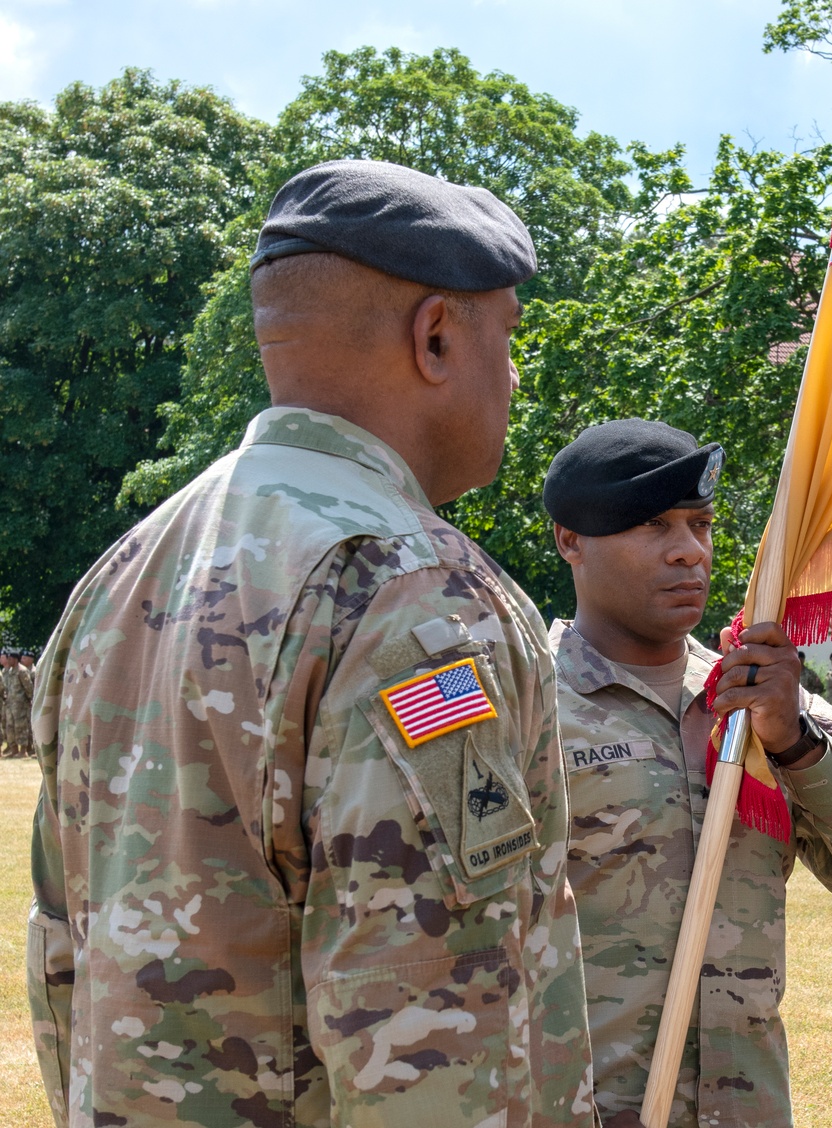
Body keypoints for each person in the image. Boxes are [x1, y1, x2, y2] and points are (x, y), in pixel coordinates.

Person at [29, 161, 595, 1127]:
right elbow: (428, 1032)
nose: (512, 375)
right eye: (508, 338)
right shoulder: (411, 595)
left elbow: (62, 952)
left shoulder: (120, 574)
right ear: (436, 336)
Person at [541, 418, 832, 1128]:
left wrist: (795, 743)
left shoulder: (763, 698)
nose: (688, 553)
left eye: (699, 525)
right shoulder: (523, 709)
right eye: (652, 526)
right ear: (570, 541)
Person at [2, 648, 33, 758]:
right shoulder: (10, 671)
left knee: (21, 727)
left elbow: (28, 687)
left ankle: (23, 750)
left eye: (9, 659)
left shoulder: (22, 670)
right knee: (10, 727)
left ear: (15, 659)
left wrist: (29, 700)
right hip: (10, 704)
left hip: (20, 705)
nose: (8, 661)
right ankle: (14, 749)